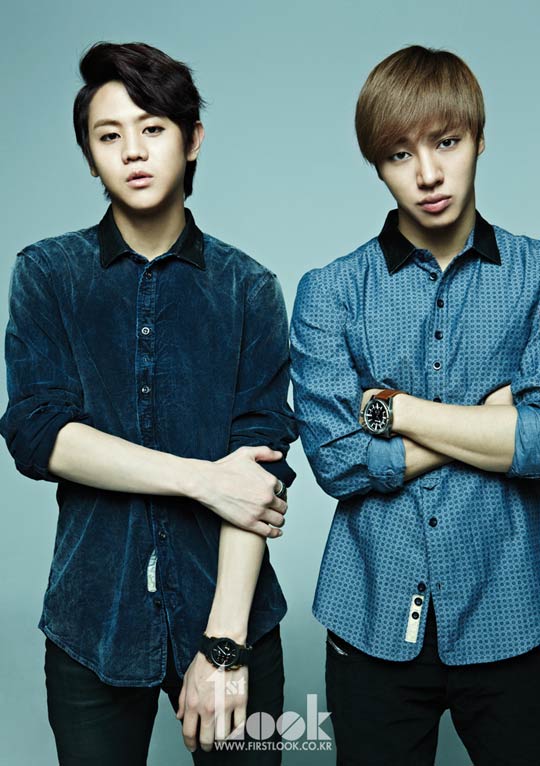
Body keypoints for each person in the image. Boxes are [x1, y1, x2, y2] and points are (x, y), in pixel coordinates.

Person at [0, 41, 296, 765]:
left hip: (232, 614)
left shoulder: (249, 288)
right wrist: (202, 478)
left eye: (153, 127)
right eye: (109, 136)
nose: (132, 150)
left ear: (192, 139)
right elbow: (38, 434)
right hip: (92, 621)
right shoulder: (48, 274)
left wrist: (224, 646)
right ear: (90, 157)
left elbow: (258, 473)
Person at [290, 45, 540, 765]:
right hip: (370, 616)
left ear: (480, 139)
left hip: (511, 608)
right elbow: (336, 461)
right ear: (377, 165)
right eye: (400, 154)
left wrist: (393, 412)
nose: (427, 174)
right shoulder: (330, 291)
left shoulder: (534, 277)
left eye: (446, 143)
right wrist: (493, 423)